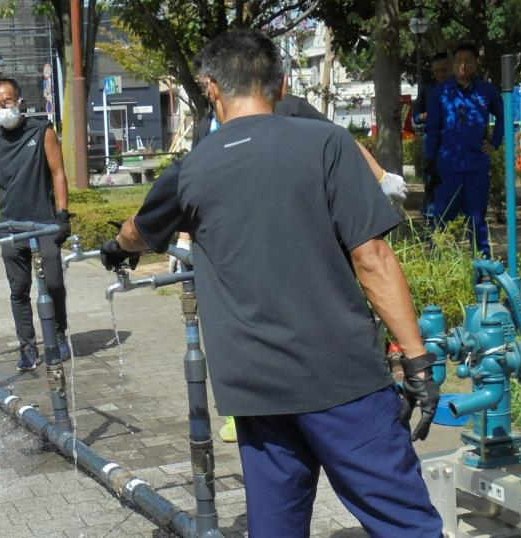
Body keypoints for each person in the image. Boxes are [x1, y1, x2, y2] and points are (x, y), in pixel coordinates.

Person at [99, 30, 442, 537]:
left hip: (255, 390)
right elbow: (372, 258)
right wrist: (415, 357)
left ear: (211, 88)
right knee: (405, 523)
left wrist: (114, 250)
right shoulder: (325, 143)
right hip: (341, 379)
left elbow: (138, 233)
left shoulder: (192, 170)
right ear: (281, 85)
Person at [185, 84, 408, 444]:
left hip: (286, 225)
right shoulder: (205, 125)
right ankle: (242, 411)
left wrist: (381, 177)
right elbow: (193, 185)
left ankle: (321, 390)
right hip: (234, 240)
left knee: (298, 303)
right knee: (245, 316)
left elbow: (341, 142)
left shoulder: (290, 108)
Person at [0, 77, 73, 372]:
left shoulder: (42, 131)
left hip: (44, 223)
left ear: (20, 102)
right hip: (10, 225)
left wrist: (62, 214)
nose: (2, 108)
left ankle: (58, 334)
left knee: (54, 283)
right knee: (19, 289)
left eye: (7, 102)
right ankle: (28, 347)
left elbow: (58, 173)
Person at [424, 43, 503, 258]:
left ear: (476, 63)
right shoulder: (440, 92)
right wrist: (430, 162)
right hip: (447, 168)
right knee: (442, 221)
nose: (462, 66)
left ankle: (483, 267)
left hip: (476, 167)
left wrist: (495, 142)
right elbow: (432, 129)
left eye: (467, 61)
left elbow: (505, 114)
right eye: (458, 62)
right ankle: (439, 266)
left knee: (477, 221)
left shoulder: (486, 91)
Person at [413, 53, 452, 225]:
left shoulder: (457, 89)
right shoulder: (427, 89)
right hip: (432, 144)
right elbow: (415, 116)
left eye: (443, 70)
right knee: (431, 181)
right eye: (436, 71)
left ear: (450, 69)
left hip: (454, 144)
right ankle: (430, 220)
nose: (440, 75)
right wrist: (429, 115)